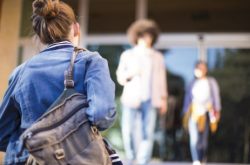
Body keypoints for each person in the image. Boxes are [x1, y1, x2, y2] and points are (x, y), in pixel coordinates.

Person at [0, 0, 116, 164]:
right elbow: (102, 115)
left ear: (39, 34)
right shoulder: (91, 62)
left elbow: (2, 133)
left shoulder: (20, 71)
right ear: (76, 28)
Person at [116, 19, 167, 165]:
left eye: (149, 36)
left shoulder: (157, 57)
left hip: (151, 99)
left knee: (147, 133)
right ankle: (131, 158)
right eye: (143, 36)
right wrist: (131, 73)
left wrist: (164, 99)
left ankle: (143, 161)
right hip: (131, 98)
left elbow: (161, 80)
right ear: (136, 37)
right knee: (127, 131)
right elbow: (120, 77)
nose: (147, 39)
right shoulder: (128, 55)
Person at [182, 61, 221, 165]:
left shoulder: (211, 82)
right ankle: (196, 160)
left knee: (203, 140)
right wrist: (185, 112)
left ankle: (202, 158)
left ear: (206, 70)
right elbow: (187, 99)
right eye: (198, 68)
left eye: (202, 68)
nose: (200, 70)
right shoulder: (192, 83)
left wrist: (217, 111)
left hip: (206, 113)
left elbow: (216, 97)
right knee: (194, 139)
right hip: (194, 113)